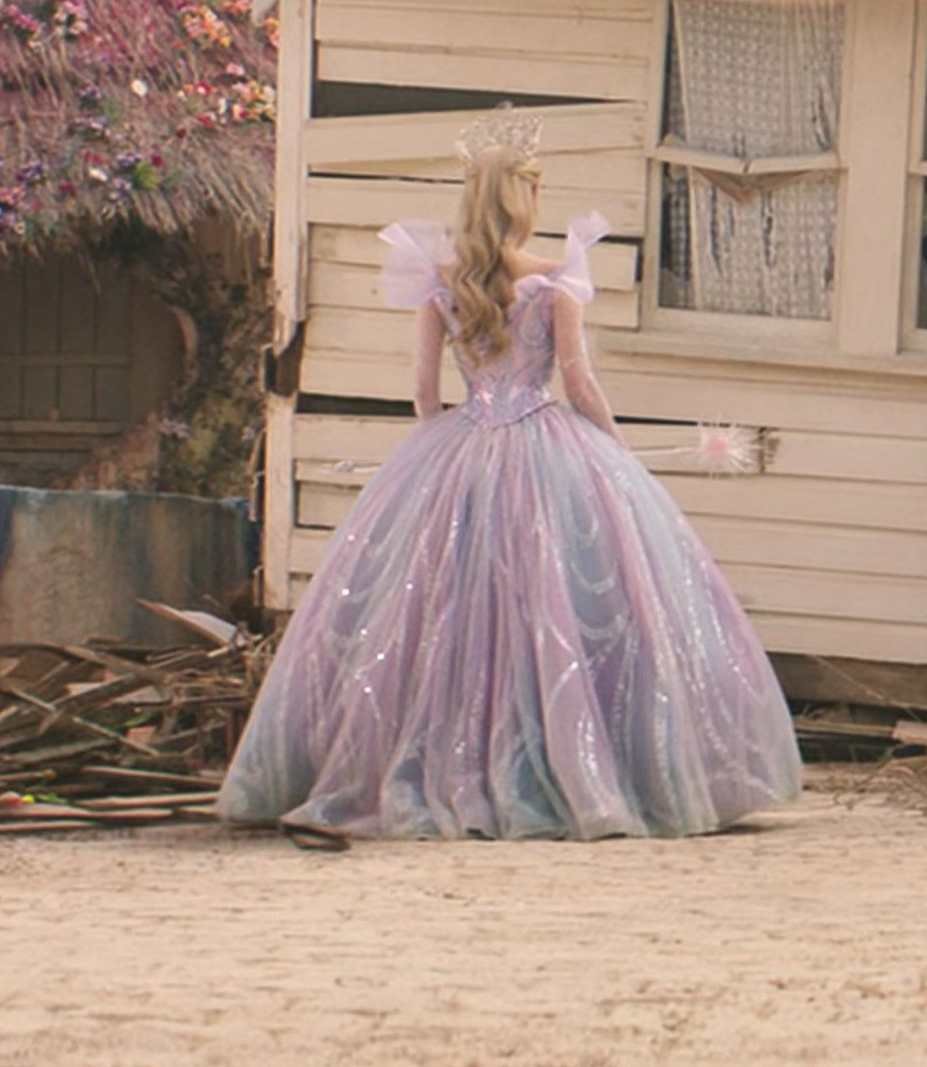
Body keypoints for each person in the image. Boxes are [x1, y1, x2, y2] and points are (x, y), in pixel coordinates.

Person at [217, 121, 800, 837]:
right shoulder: (555, 283)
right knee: (562, 601)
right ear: (528, 197)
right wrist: (615, 453)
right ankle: (570, 765)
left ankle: (432, 759)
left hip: (460, 444)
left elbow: (423, 392)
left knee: (442, 609)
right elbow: (580, 386)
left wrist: (436, 456)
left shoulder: (443, 285)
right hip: (546, 444)